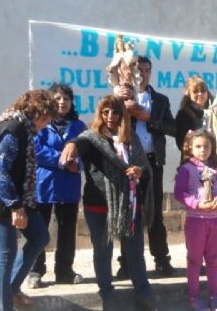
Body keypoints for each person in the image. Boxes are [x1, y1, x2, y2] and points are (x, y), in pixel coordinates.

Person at [60, 95, 156, 310]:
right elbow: (79, 143)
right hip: (99, 206)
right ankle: (107, 294)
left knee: (135, 251)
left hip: (129, 205)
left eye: (115, 112)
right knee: (103, 252)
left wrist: (140, 171)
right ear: (100, 114)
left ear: (123, 114)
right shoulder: (92, 138)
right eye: (105, 112)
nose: (110, 117)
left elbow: (146, 170)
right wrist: (71, 145)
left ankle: (144, 292)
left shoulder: (132, 139)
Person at [0, 90, 57, 311]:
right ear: (39, 113)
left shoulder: (25, 130)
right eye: (48, 118)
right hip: (1, 200)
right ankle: (2, 306)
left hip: (22, 198)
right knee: (7, 253)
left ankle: (11, 288)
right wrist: (15, 206)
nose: (48, 123)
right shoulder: (12, 129)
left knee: (39, 237)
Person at [116, 56, 177, 277]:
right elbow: (108, 121)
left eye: (147, 69)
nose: (143, 73)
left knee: (154, 213)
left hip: (152, 161)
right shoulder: (122, 95)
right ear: (131, 72)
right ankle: (126, 263)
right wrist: (120, 103)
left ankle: (162, 259)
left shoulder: (160, 100)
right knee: (128, 212)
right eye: (139, 69)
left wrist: (148, 118)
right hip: (128, 161)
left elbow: (172, 128)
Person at [27, 84, 86, 288]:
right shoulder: (42, 123)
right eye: (58, 98)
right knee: (39, 230)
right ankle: (35, 270)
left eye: (67, 99)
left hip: (69, 186)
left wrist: (77, 164)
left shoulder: (79, 127)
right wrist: (62, 160)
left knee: (67, 230)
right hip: (44, 185)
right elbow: (36, 150)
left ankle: (64, 270)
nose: (62, 102)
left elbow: (88, 151)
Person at [174, 130, 217, 311]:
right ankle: (194, 296)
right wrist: (197, 204)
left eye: (206, 146)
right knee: (194, 260)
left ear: (212, 147)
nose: (202, 150)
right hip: (196, 221)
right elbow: (179, 193)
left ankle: (215, 297)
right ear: (190, 148)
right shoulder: (186, 169)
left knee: (214, 260)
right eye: (198, 146)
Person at [175, 76, 212, 150]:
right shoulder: (183, 114)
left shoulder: (214, 112)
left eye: (203, 91)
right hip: (192, 159)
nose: (200, 94)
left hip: (212, 159)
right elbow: (181, 143)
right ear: (189, 94)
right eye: (195, 91)